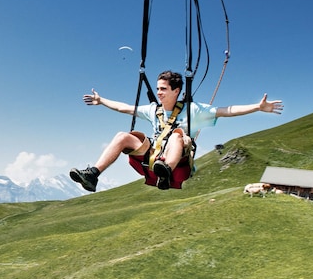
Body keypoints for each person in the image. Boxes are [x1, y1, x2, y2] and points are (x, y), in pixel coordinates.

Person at [69, 70, 283, 192]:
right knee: (122, 136)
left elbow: (226, 111)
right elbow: (124, 107)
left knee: (178, 134)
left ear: (176, 91)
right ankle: (93, 175)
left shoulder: (192, 109)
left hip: (178, 159)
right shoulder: (154, 110)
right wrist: (101, 101)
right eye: (158, 88)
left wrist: (257, 107)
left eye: (163, 88)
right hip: (154, 154)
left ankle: (166, 172)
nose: (159, 92)